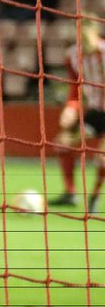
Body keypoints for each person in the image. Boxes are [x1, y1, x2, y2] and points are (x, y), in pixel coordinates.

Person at [49, 18, 105, 212]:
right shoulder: (73, 55)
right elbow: (75, 87)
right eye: (78, 31)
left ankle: (95, 197)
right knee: (63, 142)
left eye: (85, 32)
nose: (81, 36)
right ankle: (70, 193)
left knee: (102, 158)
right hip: (97, 112)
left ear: (95, 32)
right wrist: (71, 107)